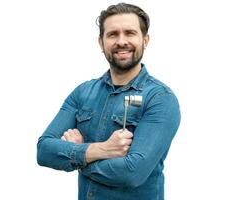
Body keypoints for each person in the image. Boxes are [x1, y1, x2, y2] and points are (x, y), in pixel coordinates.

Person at [37, 3, 181, 200]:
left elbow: (133, 172)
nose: (121, 41)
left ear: (145, 40)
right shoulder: (83, 93)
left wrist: (79, 156)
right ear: (101, 42)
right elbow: (44, 150)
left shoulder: (160, 98)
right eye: (113, 34)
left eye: (130, 33)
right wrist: (101, 149)